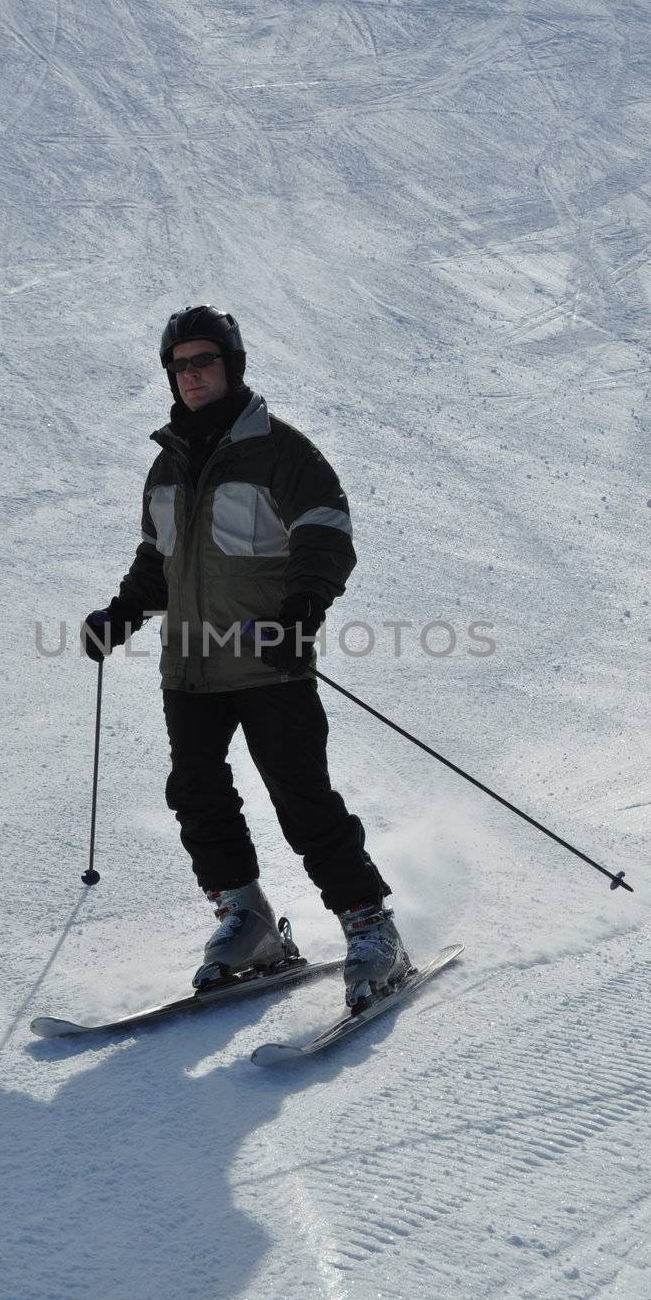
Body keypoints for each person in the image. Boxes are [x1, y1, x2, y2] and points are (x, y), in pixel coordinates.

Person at [82, 305, 411, 1010]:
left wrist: (299, 615)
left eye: (204, 360)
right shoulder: (167, 462)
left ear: (231, 365)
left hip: (268, 659)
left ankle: (371, 926)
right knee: (196, 797)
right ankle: (248, 920)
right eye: (179, 364)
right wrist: (121, 615)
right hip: (190, 666)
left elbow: (325, 535)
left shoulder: (282, 452)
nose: (191, 374)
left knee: (302, 801)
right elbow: (159, 558)